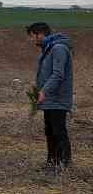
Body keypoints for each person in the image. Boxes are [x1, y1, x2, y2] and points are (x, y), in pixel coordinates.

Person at [28, 22, 74, 172]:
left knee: (58, 131)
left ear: (40, 34)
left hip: (58, 98)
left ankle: (63, 164)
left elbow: (58, 75)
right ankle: (52, 163)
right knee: (50, 130)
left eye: (32, 36)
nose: (31, 40)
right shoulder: (49, 48)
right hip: (50, 99)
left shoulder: (58, 48)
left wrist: (44, 91)